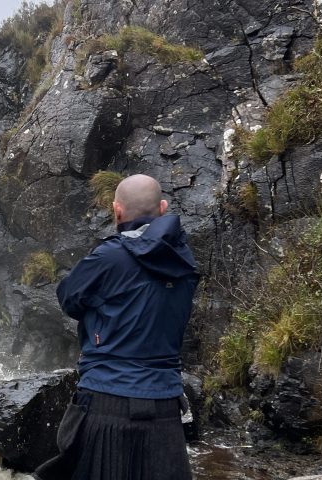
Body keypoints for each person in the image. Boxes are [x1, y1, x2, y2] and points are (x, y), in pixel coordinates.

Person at [34, 174, 199, 480]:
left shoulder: (108, 257)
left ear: (117, 211)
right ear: (162, 207)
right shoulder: (185, 261)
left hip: (106, 402)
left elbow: (69, 299)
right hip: (165, 407)